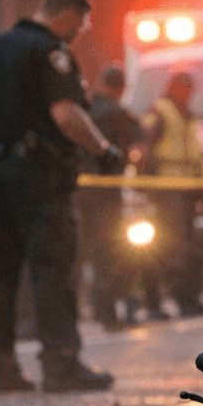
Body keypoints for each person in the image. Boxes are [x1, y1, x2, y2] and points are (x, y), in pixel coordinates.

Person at [0, 0, 121, 392]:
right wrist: (102, 149)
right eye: (81, 23)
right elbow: (66, 115)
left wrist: (3, 139)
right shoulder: (51, 52)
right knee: (52, 267)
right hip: (40, 177)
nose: (79, 32)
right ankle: (61, 364)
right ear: (67, 13)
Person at [139, 70, 203, 318]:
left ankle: (189, 299)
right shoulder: (161, 110)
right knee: (168, 247)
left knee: (190, 246)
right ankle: (158, 302)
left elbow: (193, 150)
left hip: (187, 189)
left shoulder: (187, 114)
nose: (189, 94)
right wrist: (145, 185)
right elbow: (147, 148)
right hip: (167, 189)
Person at [79, 64, 143, 330]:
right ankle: (111, 315)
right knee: (111, 254)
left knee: (86, 254)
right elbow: (139, 141)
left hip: (79, 193)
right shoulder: (119, 115)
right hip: (108, 195)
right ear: (121, 89)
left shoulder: (84, 110)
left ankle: (92, 310)